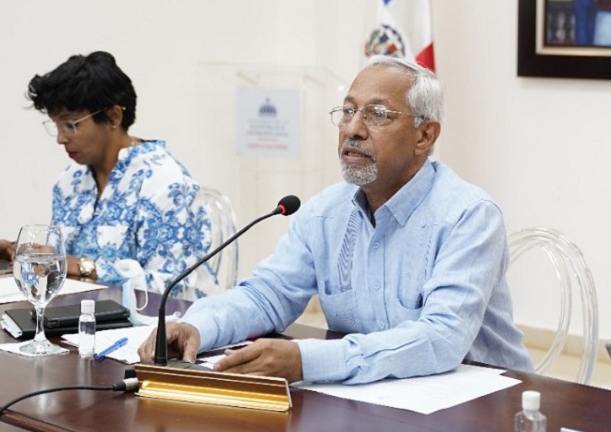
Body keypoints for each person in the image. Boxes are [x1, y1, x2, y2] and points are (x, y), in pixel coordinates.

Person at [139, 56, 533, 384]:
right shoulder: (325, 211)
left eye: (376, 115)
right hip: (377, 398)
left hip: (483, 401)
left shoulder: (467, 215)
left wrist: (307, 360)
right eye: (347, 111)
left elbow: (441, 338)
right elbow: (268, 294)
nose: (353, 130)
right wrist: (198, 327)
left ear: (424, 136)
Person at [0, 51, 213, 295]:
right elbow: (62, 265)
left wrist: (86, 268)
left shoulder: (166, 183)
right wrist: (21, 253)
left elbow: (173, 288)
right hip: (81, 318)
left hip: (154, 326)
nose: (60, 138)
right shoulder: (70, 181)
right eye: (56, 125)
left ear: (113, 116)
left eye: (71, 124)